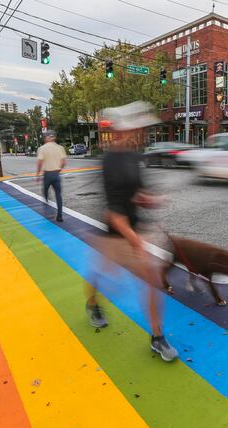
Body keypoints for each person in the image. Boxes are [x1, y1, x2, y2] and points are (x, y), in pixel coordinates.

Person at [85, 101, 178, 362]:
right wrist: (134, 240)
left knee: (153, 279)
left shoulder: (135, 156)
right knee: (100, 274)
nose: (140, 131)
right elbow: (113, 213)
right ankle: (92, 304)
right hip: (115, 234)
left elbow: (136, 192)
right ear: (118, 131)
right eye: (135, 127)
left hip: (135, 229)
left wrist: (148, 199)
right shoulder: (109, 161)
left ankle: (157, 337)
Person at [36, 131, 67, 222]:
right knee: (58, 195)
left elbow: (40, 162)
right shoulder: (60, 148)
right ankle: (60, 216)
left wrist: (37, 174)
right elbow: (64, 162)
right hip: (56, 174)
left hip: (47, 174)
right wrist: (58, 170)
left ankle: (46, 203)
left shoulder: (42, 148)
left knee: (45, 190)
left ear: (46, 138)